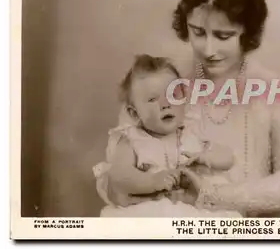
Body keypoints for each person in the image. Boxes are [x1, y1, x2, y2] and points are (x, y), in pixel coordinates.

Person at [169, 0, 280, 217]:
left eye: (224, 36)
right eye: (198, 32)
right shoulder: (170, 82)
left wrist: (210, 197)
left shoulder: (275, 90)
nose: (208, 49)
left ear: (247, 32)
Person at [92, 54, 241, 217]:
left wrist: (204, 158)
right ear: (134, 114)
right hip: (150, 210)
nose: (165, 104)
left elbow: (228, 159)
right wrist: (152, 181)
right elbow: (119, 176)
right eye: (152, 99)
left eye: (173, 95)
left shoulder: (190, 133)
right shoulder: (132, 140)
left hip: (189, 209)